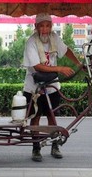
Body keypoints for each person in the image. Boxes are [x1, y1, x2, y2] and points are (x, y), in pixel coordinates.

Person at [23, 13, 82, 162]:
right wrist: (59, 68)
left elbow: (66, 50)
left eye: (47, 26)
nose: (44, 29)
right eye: (41, 26)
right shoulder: (31, 42)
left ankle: (55, 145)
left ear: (51, 26)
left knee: (52, 116)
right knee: (35, 117)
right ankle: (36, 148)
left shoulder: (54, 38)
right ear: (36, 27)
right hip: (33, 86)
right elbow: (37, 66)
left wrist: (78, 63)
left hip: (52, 86)